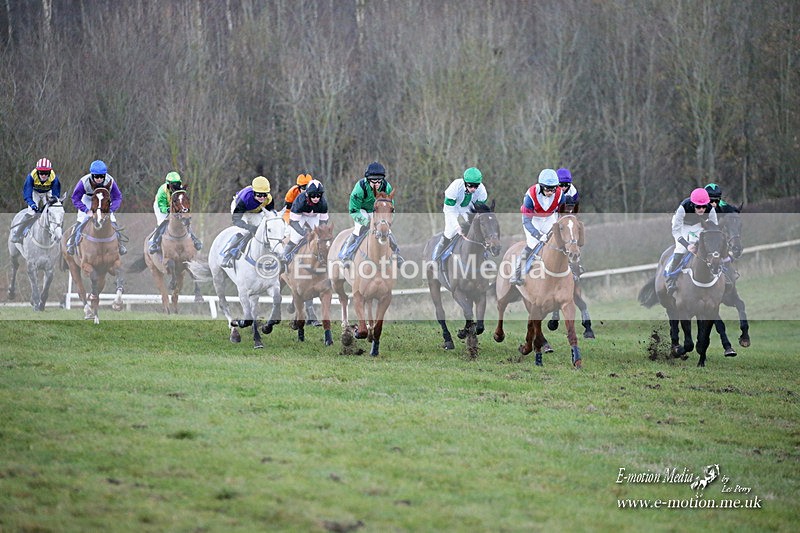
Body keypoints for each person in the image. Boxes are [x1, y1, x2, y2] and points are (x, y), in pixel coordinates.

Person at [338, 161, 403, 265]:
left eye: (379, 180)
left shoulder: (386, 187)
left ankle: (397, 255)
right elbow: (353, 210)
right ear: (368, 179)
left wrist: (387, 221)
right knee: (358, 229)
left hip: (378, 211)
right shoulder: (360, 188)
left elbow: (391, 208)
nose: (377, 183)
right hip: (361, 211)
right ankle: (346, 254)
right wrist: (366, 222)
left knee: (388, 231)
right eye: (374, 181)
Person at [510, 168, 564, 285]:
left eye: (553, 189)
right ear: (541, 186)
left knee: (560, 241)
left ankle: (571, 267)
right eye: (547, 189)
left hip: (550, 217)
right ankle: (517, 273)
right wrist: (538, 235)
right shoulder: (530, 196)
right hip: (533, 219)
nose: (550, 192)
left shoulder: (560, 194)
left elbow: (562, 214)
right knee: (533, 244)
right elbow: (526, 221)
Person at [665, 187, 719, 295]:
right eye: (698, 207)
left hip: (699, 224)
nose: (701, 209)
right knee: (681, 249)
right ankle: (671, 279)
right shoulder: (683, 208)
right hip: (682, 226)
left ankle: (722, 272)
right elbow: (675, 231)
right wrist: (687, 245)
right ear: (693, 204)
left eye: (704, 206)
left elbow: (715, 228)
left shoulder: (711, 210)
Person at [66, 160, 126, 255]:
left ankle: (120, 244)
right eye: (96, 176)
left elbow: (118, 197)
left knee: (113, 220)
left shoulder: (110, 181)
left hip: (102, 201)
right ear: (92, 175)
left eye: (101, 176)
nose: (99, 179)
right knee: (82, 219)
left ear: (105, 175)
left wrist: (111, 209)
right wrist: (85, 210)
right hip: (88, 200)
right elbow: (75, 198)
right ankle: (72, 243)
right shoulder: (84, 182)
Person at [431, 167, 488, 262]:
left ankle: (484, 256)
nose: (473, 189)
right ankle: (435, 260)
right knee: (449, 232)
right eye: (470, 186)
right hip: (452, 207)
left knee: (476, 229)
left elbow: (478, 211)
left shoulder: (482, 191)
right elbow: (450, 211)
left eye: (476, 186)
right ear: (465, 182)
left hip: (468, 207)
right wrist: (457, 227)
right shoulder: (455, 187)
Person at [220, 176, 276, 268]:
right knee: (245, 231)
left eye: (264, 194)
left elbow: (270, 216)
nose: (262, 198)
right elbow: (236, 220)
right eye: (259, 195)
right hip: (241, 210)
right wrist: (249, 227)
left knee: (262, 229)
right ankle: (228, 254)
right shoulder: (245, 199)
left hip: (255, 211)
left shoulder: (269, 199)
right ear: (254, 192)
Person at [147, 171, 203, 254]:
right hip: (161, 207)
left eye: (177, 183)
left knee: (184, 220)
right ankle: (154, 242)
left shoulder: (180, 189)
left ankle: (194, 239)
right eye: (173, 183)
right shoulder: (162, 190)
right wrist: (167, 210)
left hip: (175, 207)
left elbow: (182, 201)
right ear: (168, 183)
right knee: (163, 222)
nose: (175, 185)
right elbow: (161, 205)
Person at [11, 157, 62, 243]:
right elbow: (27, 195)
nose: (44, 175)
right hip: (35, 192)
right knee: (32, 212)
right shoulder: (31, 176)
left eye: (46, 173)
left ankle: (58, 234)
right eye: (41, 172)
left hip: (48, 192)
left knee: (55, 212)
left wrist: (51, 203)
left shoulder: (54, 178)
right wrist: (33, 205)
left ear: (50, 172)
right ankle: (18, 234)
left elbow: (55, 195)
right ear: (37, 172)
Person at [281, 179, 329, 264]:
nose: (316, 198)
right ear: (307, 194)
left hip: (313, 216)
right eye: (313, 196)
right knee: (295, 238)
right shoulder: (300, 201)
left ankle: (324, 256)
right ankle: (283, 257)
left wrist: (320, 231)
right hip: (300, 216)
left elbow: (324, 220)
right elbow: (293, 222)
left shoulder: (323, 203)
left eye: (319, 195)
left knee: (321, 236)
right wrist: (304, 233)